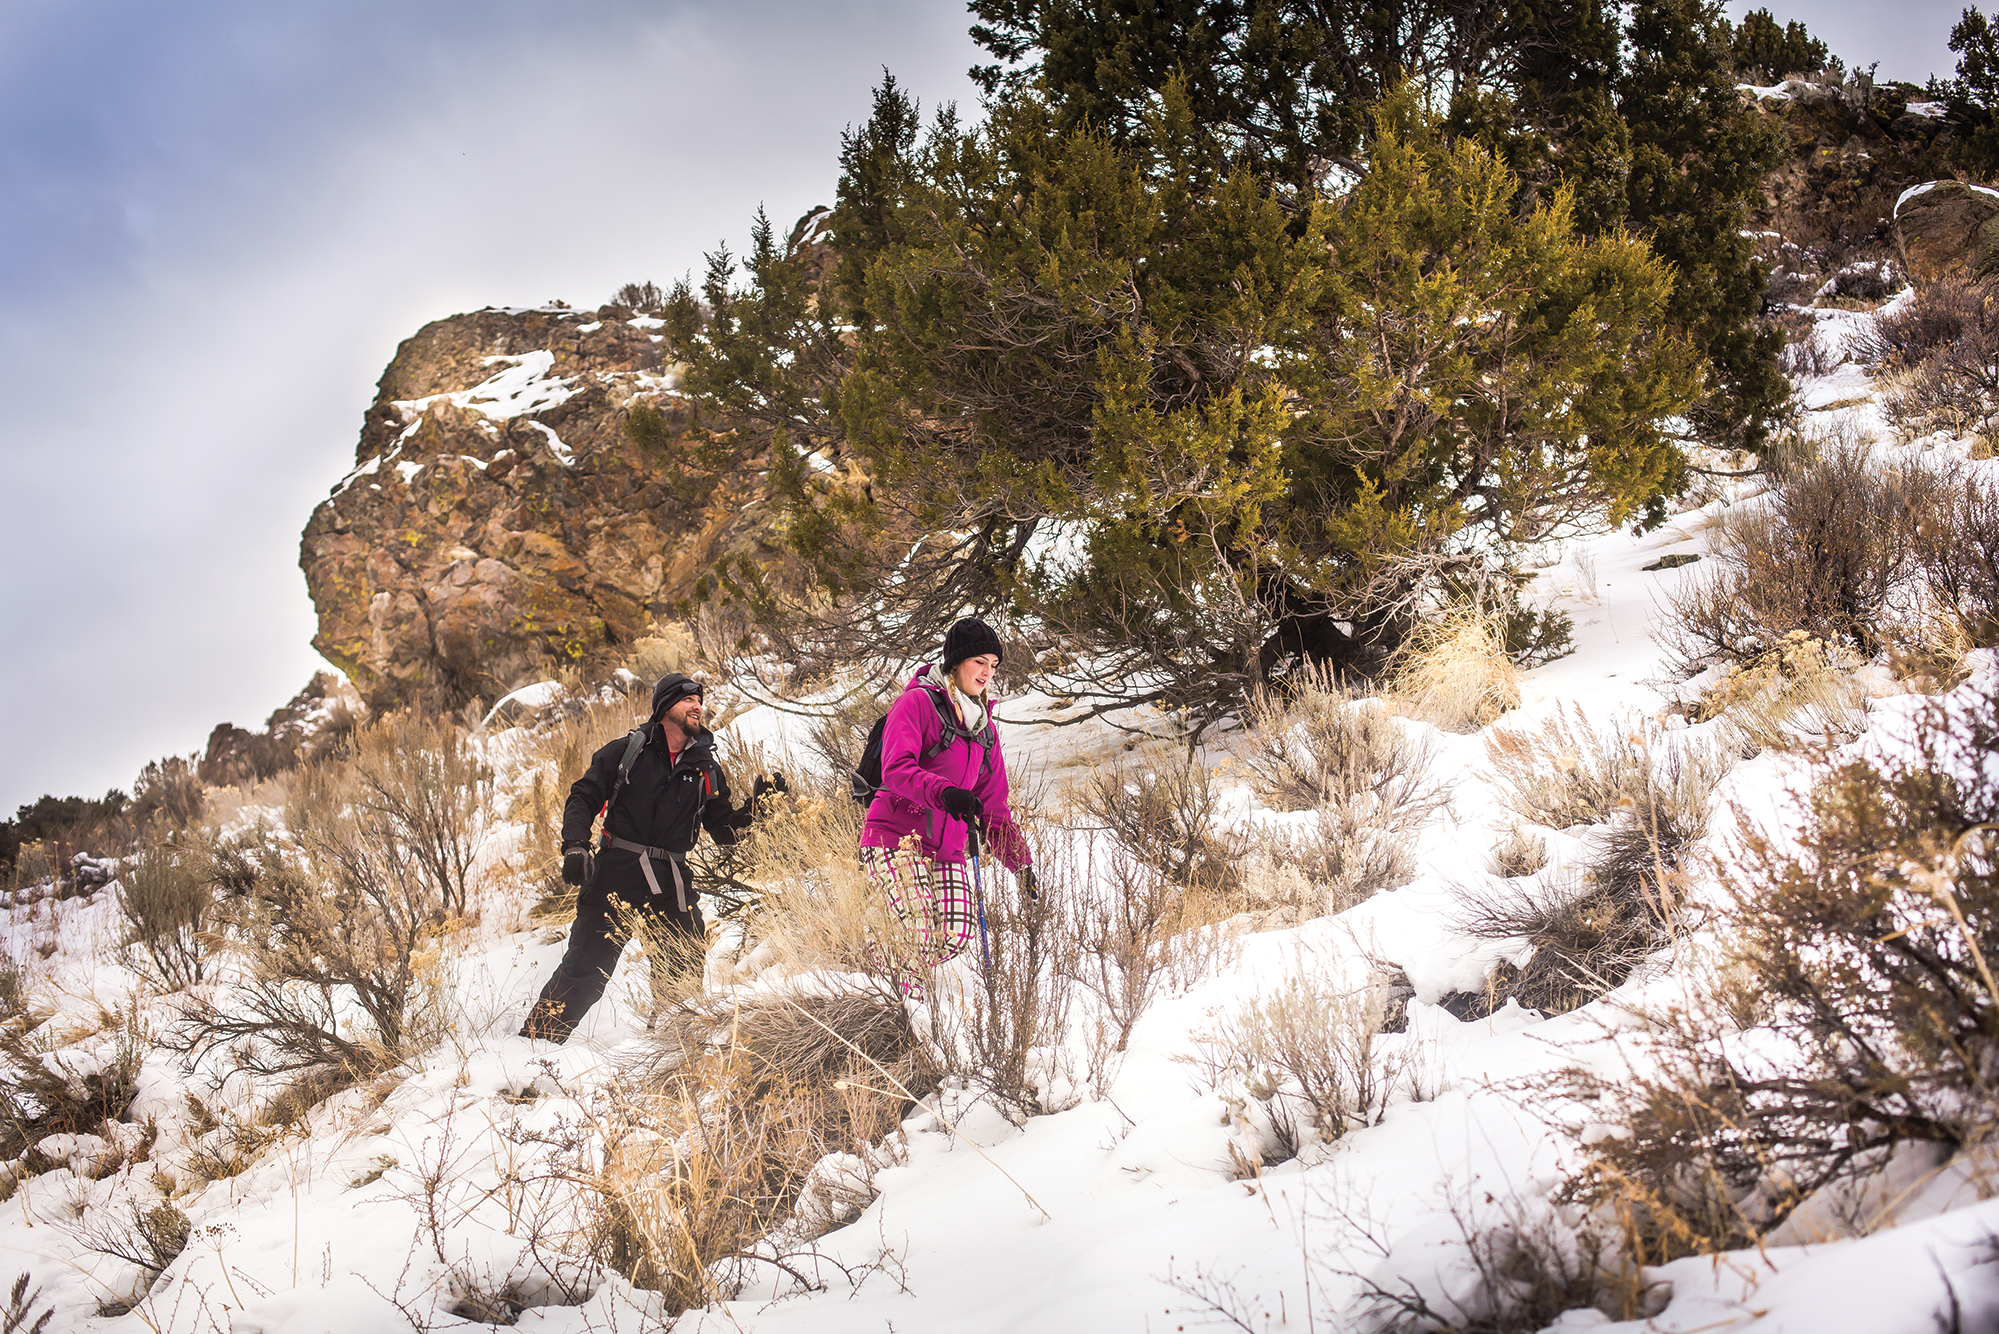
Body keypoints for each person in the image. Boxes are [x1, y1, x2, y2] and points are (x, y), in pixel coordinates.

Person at [520, 671, 780, 1042]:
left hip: (671, 881)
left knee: (683, 969)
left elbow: (723, 831)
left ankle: (672, 1051)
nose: (697, 706)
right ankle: (532, 1049)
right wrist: (576, 845)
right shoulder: (628, 751)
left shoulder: (706, 767)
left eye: (700, 700)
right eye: (688, 699)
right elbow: (583, 797)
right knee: (585, 972)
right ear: (664, 707)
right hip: (614, 875)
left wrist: (759, 808)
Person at [861, 617, 1035, 998]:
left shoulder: (984, 730)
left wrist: (1019, 864)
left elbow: (993, 807)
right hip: (895, 836)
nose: (988, 672)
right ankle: (909, 1015)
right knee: (919, 930)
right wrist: (946, 793)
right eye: (979, 662)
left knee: (956, 934)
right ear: (956, 663)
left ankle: (884, 960)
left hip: (947, 847)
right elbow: (896, 769)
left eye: (993, 664)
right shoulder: (916, 703)